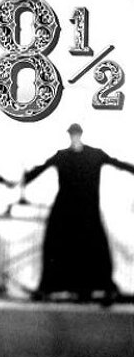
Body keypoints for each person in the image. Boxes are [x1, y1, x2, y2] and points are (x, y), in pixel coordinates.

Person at [24, 123, 134, 302]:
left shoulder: (90, 155)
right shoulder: (68, 156)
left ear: (78, 135)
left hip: (81, 211)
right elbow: (37, 171)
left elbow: (118, 163)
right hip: (72, 211)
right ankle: (67, 288)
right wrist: (20, 180)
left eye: (75, 134)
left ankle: (87, 289)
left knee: (84, 247)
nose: (74, 137)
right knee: (72, 247)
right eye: (72, 134)